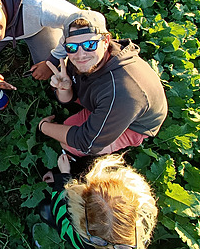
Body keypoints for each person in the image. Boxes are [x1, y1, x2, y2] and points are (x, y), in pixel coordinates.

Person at [38, 10, 168, 157]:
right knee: (68, 126)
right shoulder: (82, 60)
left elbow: (87, 143)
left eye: (90, 44)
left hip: (133, 125)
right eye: (72, 47)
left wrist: (44, 127)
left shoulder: (123, 92)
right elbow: (69, 99)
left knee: (71, 145)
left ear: (106, 42)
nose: (80, 55)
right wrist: (64, 90)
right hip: (102, 101)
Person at [37, 153, 158, 249]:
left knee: (46, 209)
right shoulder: (138, 235)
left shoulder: (81, 239)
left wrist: (63, 178)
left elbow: (61, 218)